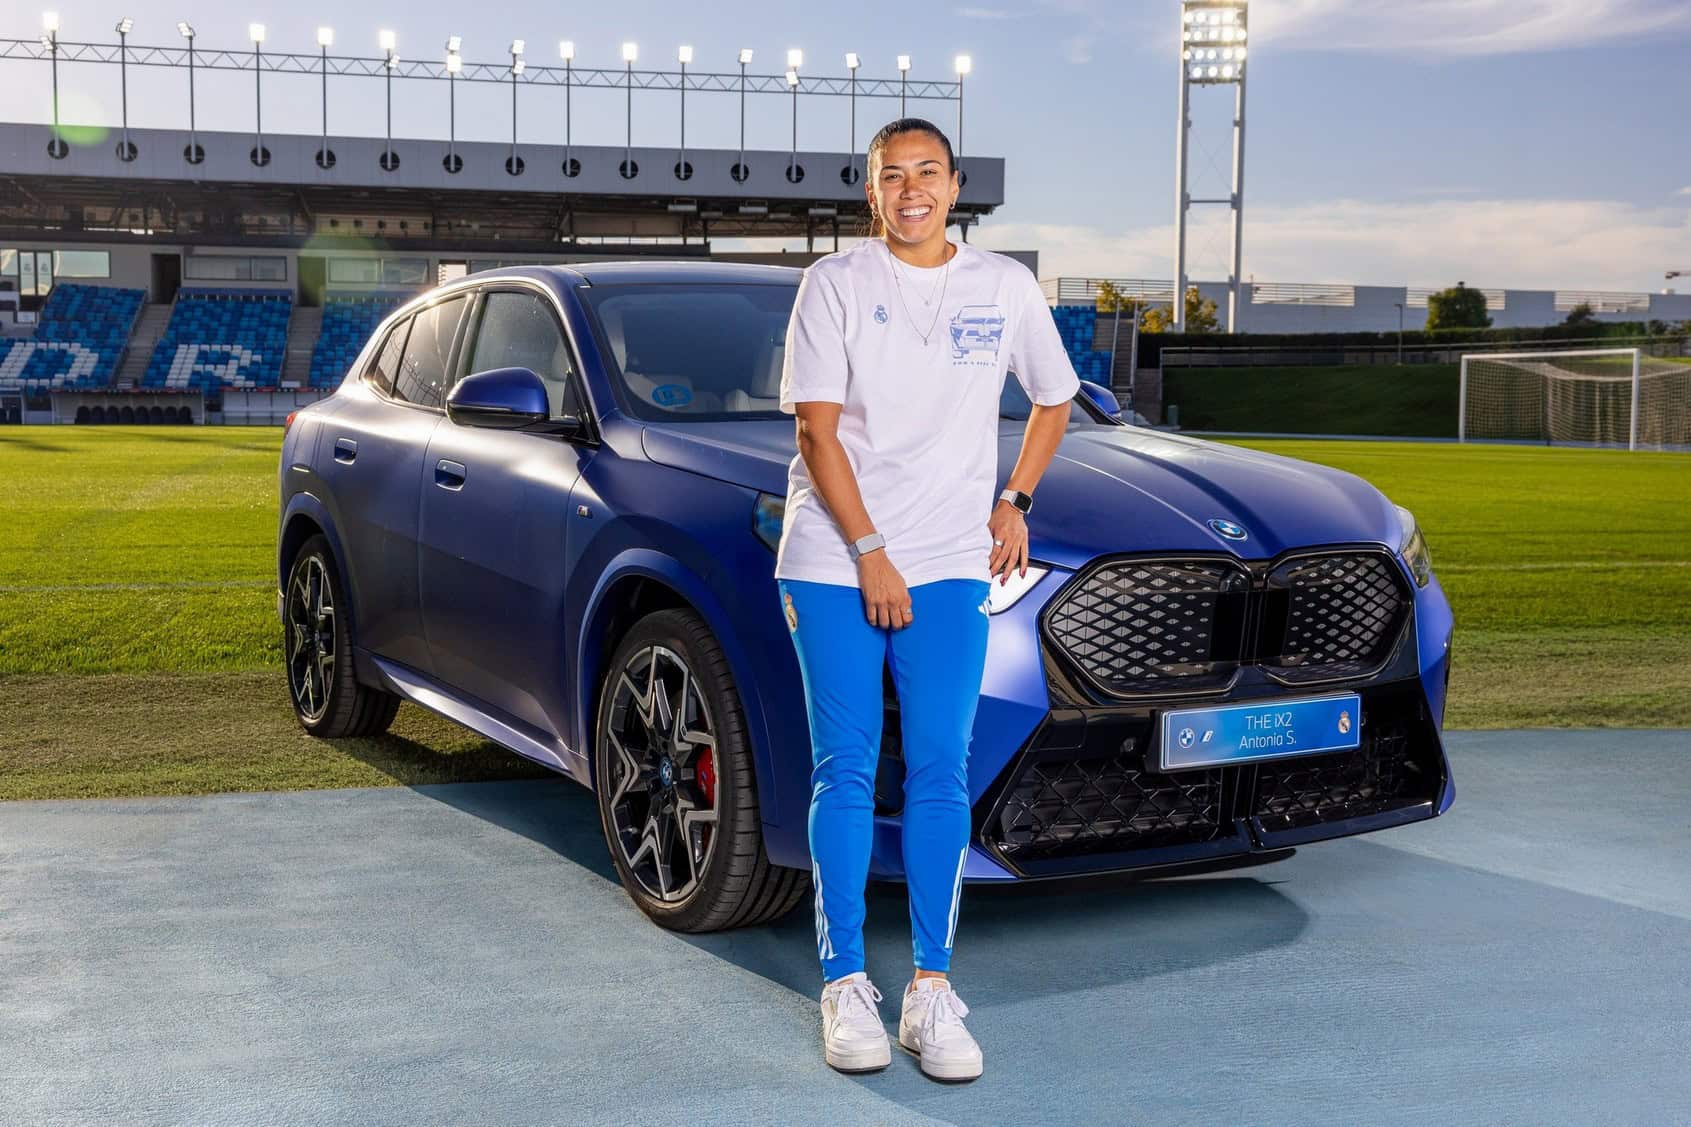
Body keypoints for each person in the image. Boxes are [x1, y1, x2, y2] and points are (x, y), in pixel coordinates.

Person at [774, 117, 1081, 1081]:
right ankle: (843, 982)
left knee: (943, 767)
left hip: (950, 559)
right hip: (835, 556)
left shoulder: (1003, 286)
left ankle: (931, 990)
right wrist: (870, 553)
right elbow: (816, 433)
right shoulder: (833, 284)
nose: (911, 190)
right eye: (892, 175)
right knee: (846, 766)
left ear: (954, 187)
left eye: (928, 173)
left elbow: (1054, 396)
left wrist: (1014, 498)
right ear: (871, 192)